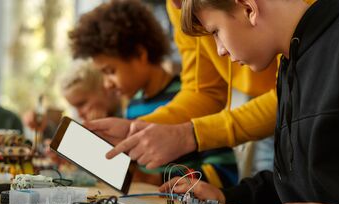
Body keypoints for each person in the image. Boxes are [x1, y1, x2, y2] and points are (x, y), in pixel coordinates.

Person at [162, 0, 339, 204]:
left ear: (249, 9)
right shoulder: (291, 62)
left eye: (216, 32)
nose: (220, 50)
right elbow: (303, 182)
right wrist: (228, 196)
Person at [69, 0, 239, 187]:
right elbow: (138, 171)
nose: (107, 84)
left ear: (140, 54)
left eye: (110, 71)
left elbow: (224, 171)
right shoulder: (133, 107)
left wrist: (156, 180)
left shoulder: (195, 100)